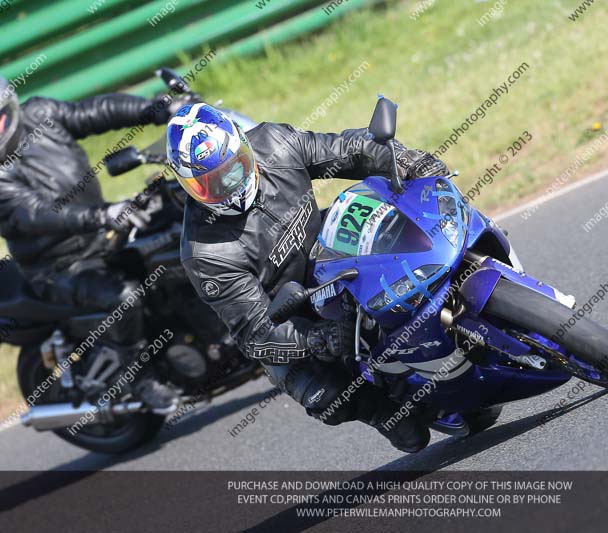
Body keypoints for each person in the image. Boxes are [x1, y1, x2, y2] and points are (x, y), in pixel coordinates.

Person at [172, 102, 448, 452]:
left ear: (244, 145)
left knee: (395, 217)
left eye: (234, 167)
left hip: (330, 252)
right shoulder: (205, 253)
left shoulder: (275, 142)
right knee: (332, 399)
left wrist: (403, 159)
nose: (229, 185)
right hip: (290, 315)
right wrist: (320, 338)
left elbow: (348, 150)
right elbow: (254, 334)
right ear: (188, 187)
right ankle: (381, 411)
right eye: (210, 185)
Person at [0, 76, 180, 414]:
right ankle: (138, 377)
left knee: (175, 227)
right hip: (59, 267)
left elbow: (97, 111)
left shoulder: (41, 114)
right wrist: (103, 214)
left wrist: (159, 108)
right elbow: (35, 213)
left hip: (105, 235)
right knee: (123, 296)